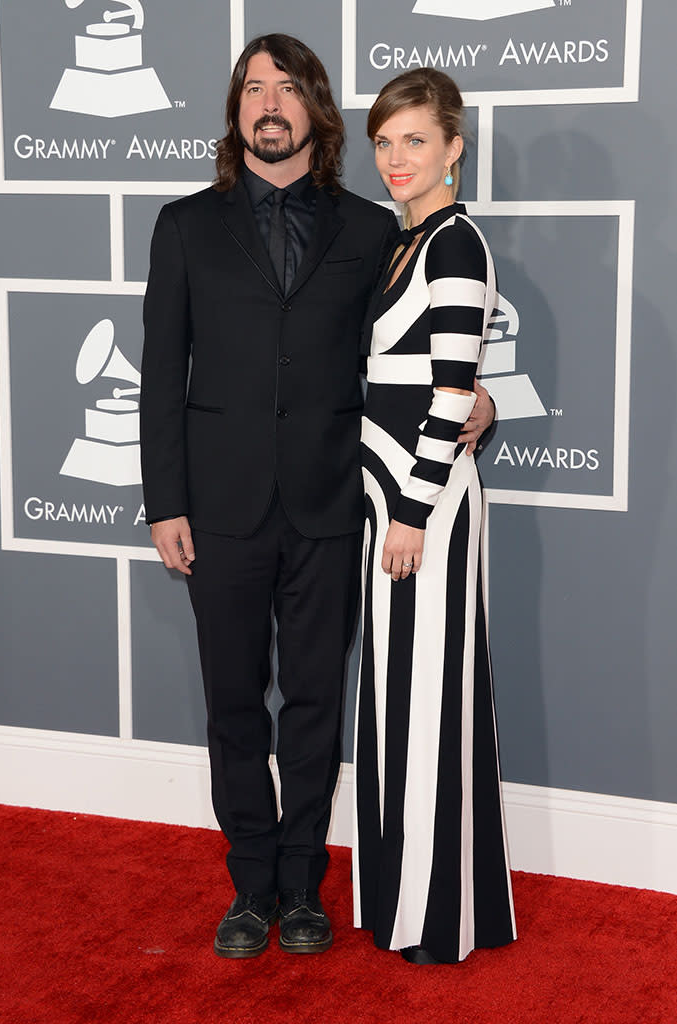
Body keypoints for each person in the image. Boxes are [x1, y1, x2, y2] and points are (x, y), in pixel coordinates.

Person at [140, 36, 495, 960]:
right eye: (253, 87)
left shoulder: (377, 229)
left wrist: (483, 402)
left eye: (287, 87)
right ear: (235, 110)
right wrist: (163, 500)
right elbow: (157, 378)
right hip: (215, 509)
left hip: (336, 504)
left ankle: (303, 885)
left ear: (316, 111)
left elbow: (422, 354)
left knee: (312, 706)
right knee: (231, 705)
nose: (269, 102)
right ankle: (248, 886)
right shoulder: (182, 225)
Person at [352, 68, 516, 965]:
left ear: (454, 147)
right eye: (383, 141)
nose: (395, 158)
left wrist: (412, 515)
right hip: (389, 501)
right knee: (398, 700)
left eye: (414, 140)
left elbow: (452, 392)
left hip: (425, 510)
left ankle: (432, 919)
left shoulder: (454, 243)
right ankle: (401, 903)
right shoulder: (396, 242)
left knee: (426, 701)